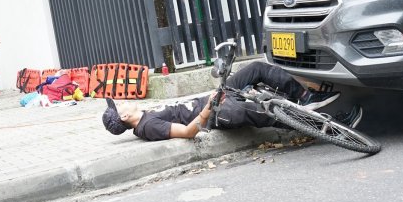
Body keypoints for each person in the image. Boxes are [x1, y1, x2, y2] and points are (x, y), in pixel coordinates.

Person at [103, 61, 361, 141]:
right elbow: (188, 132)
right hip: (218, 112)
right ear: (124, 117)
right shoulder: (148, 127)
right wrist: (208, 107)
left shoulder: (145, 116)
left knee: (256, 69)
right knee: (269, 111)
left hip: (215, 99)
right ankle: (333, 128)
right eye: (120, 105)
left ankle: (307, 98)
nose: (122, 101)